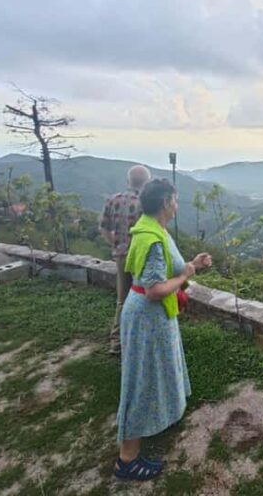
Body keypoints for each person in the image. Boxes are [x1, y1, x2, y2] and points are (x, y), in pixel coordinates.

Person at [113, 178, 212, 481]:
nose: (178, 205)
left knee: (155, 371)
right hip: (148, 317)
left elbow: (159, 272)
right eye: (176, 200)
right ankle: (127, 460)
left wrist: (190, 265)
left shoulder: (149, 228)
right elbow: (155, 289)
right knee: (142, 379)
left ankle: (160, 419)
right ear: (167, 202)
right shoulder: (154, 238)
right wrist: (187, 274)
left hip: (147, 314)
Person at [100, 165, 151, 355]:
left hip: (121, 255)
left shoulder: (112, 200)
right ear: (145, 183)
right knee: (144, 295)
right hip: (141, 256)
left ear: (128, 180)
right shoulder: (145, 203)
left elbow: (104, 228)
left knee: (123, 299)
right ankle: (141, 337)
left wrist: (114, 243)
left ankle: (117, 341)